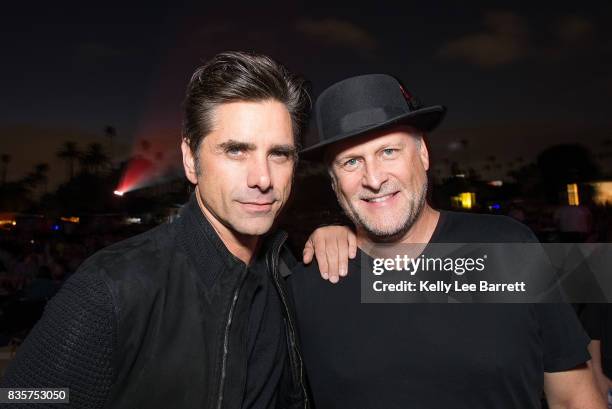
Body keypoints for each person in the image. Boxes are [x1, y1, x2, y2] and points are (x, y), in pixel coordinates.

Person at [2, 51, 325, 409]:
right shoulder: (111, 287)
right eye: (236, 151)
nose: (262, 179)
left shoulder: (285, 271)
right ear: (191, 159)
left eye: (279, 154)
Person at [289, 74, 604, 408]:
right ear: (335, 182)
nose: (374, 178)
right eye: (351, 161)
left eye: (389, 151)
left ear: (423, 154)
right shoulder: (308, 283)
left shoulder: (506, 247)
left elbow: (574, 397)